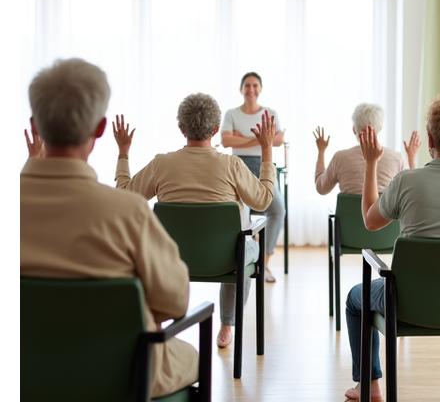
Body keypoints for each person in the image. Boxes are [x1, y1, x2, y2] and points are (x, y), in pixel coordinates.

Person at [21, 58, 197, 398]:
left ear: (35, 126)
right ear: (101, 128)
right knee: (188, 355)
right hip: (121, 373)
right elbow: (175, 302)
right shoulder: (127, 212)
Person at [344, 95, 440, 401]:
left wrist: (371, 163)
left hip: (407, 303)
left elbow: (370, 220)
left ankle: (371, 385)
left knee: (355, 299)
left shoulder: (406, 182)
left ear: (430, 137)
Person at [113, 93, 276, 349]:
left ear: (181, 128)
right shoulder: (231, 165)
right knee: (243, 245)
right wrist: (267, 149)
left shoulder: (162, 164)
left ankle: (160, 324)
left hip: (174, 258)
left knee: (237, 243)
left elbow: (124, 198)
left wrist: (123, 153)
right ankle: (227, 324)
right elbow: (264, 201)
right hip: (226, 261)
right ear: (215, 129)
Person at [221, 72, 285, 283]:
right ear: (241, 89)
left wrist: (242, 138)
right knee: (241, 213)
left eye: (255, 85)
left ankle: (264, 264)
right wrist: (259, 138)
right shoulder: (231, 113)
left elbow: (277, 140)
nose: (251, 89)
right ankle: (242, 259)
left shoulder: (270, 112)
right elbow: (225, 141)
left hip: (264, 166)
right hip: (239, 167)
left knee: (277, 209)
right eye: (247, 85)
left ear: (260, 88)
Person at [313, 103, 420, 195]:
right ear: (380, 128)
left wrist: (321, 151)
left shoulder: (340, 158)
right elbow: (413, 192)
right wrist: (411, 158)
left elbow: (321, 188)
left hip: (349, 219)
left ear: (354, 129)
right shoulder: (396, 158)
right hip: (384, 219)